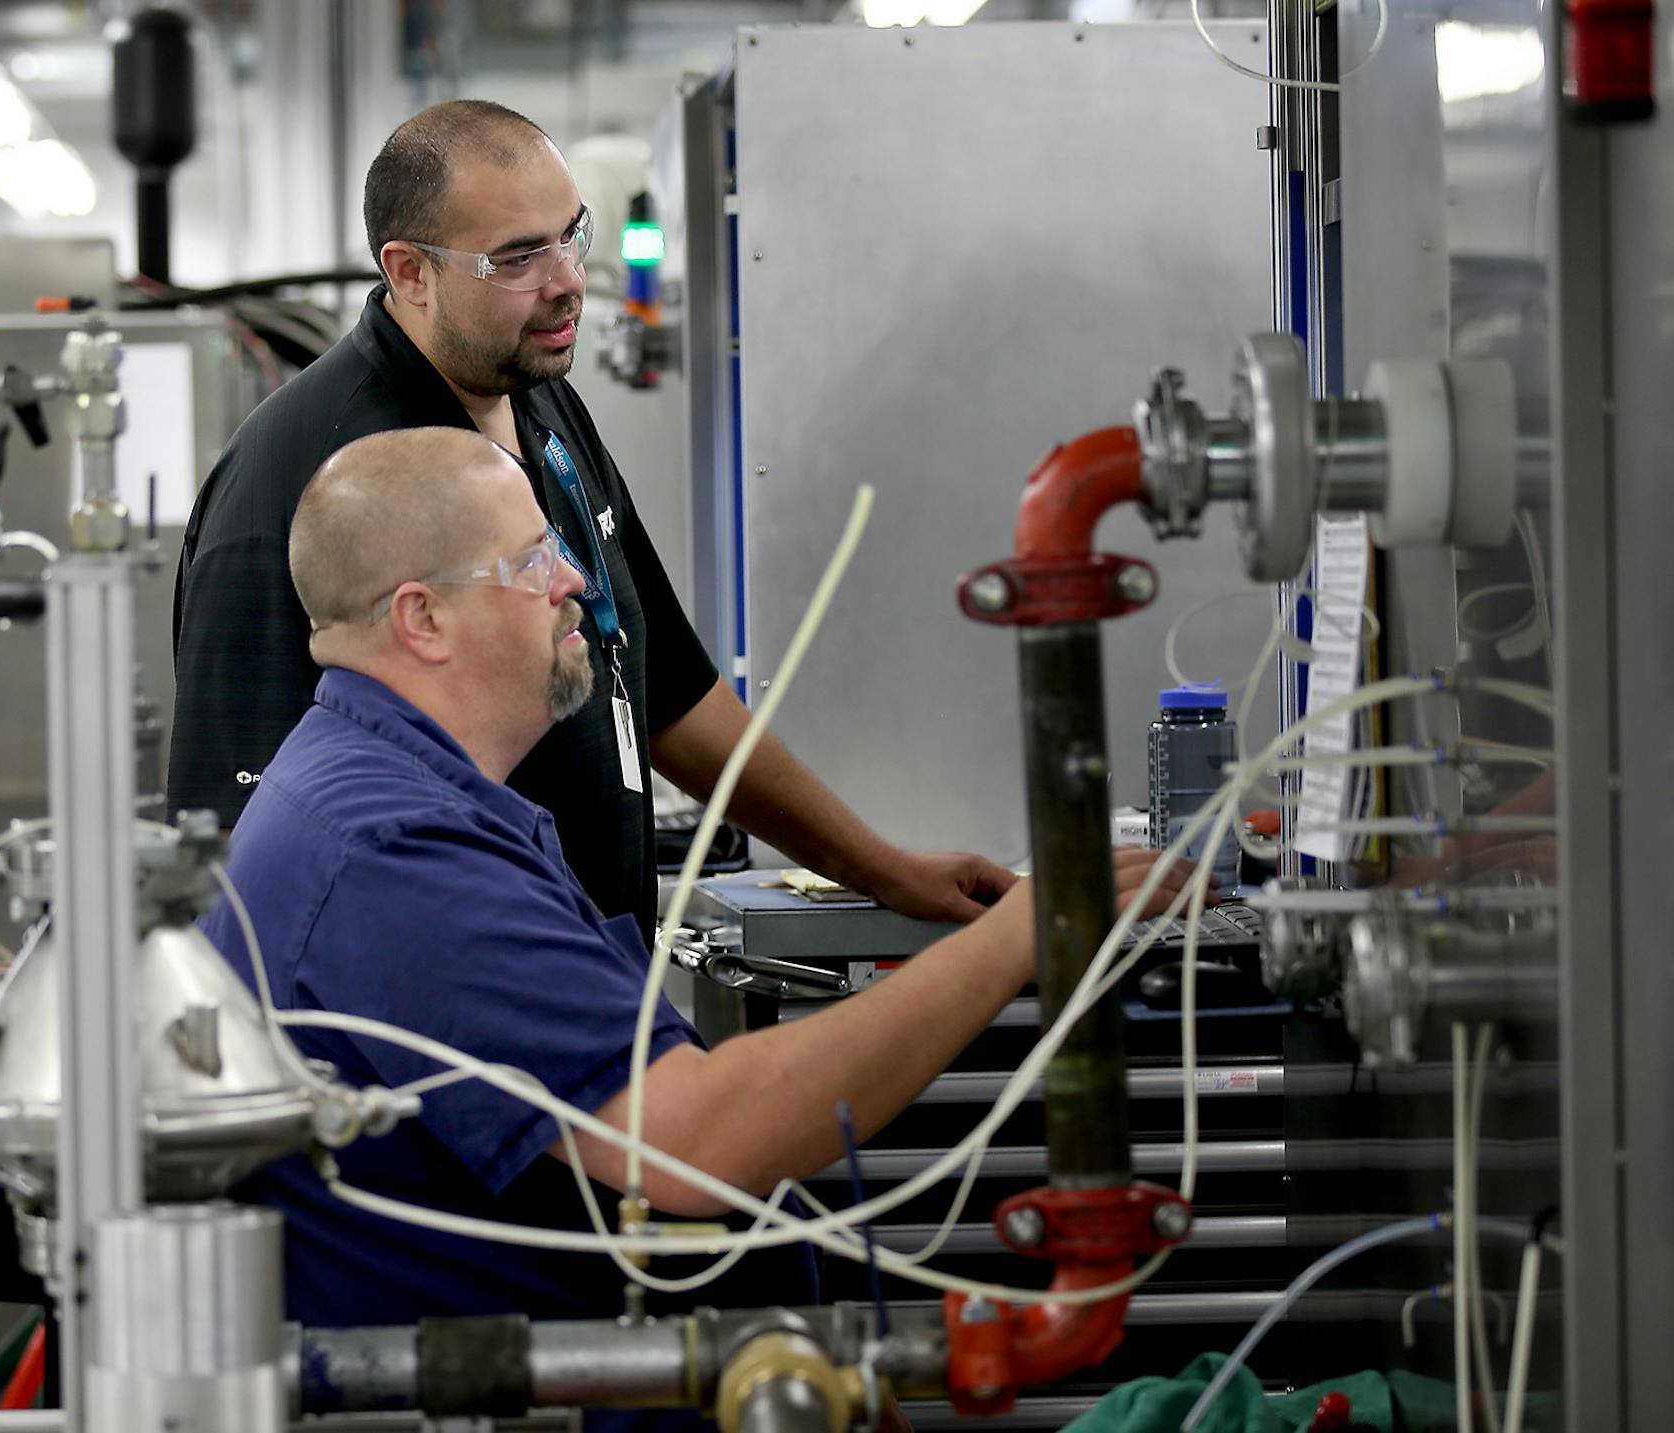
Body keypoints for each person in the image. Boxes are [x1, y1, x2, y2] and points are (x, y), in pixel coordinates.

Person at [198, 428, 1200, 1333]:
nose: (575, 585)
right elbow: (693, 1139)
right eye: (533, 561)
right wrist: (1030, 927)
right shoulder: (391, 847)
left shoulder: (393, 790)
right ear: (423, 617)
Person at [173, 98, 1017, 949]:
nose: (568, 278)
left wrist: (879, 867)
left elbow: (668, 692)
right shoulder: (305, 480)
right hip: (446, 1025)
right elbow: (241, 851)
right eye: (517, 259)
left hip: (585, 977)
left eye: (571, 235)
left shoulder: (539, 401)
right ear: (411, 272)